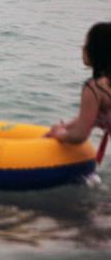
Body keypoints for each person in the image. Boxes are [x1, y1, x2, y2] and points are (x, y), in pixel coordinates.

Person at [46, 22, 111, 163]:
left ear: (96, 51)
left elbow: (79, 136)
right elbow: (93, 117)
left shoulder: (94, 88)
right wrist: (67, 126)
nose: (82, 48)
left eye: (86, 44)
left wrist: (59, 133)